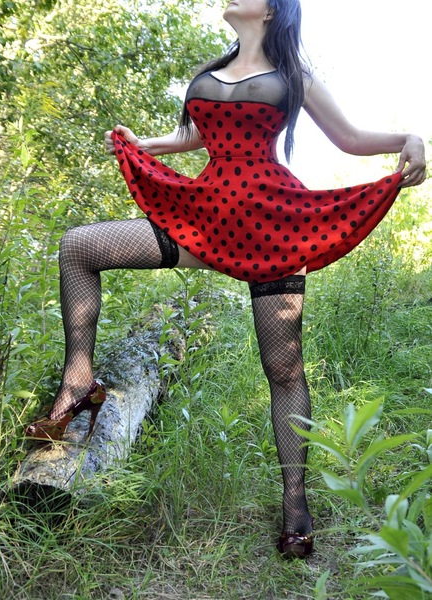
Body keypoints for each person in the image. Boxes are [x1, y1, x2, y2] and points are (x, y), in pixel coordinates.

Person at [25, 0, 426, 559]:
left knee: (283, 369)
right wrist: (148, 145)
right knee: (78, 247)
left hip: (271, 223)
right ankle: (77, 385)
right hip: (205, 217)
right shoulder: (211, 70)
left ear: (273, 10)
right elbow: (199, 136)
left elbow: (350, 138)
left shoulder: (293, 75)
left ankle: (294, 501)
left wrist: (409, 137)